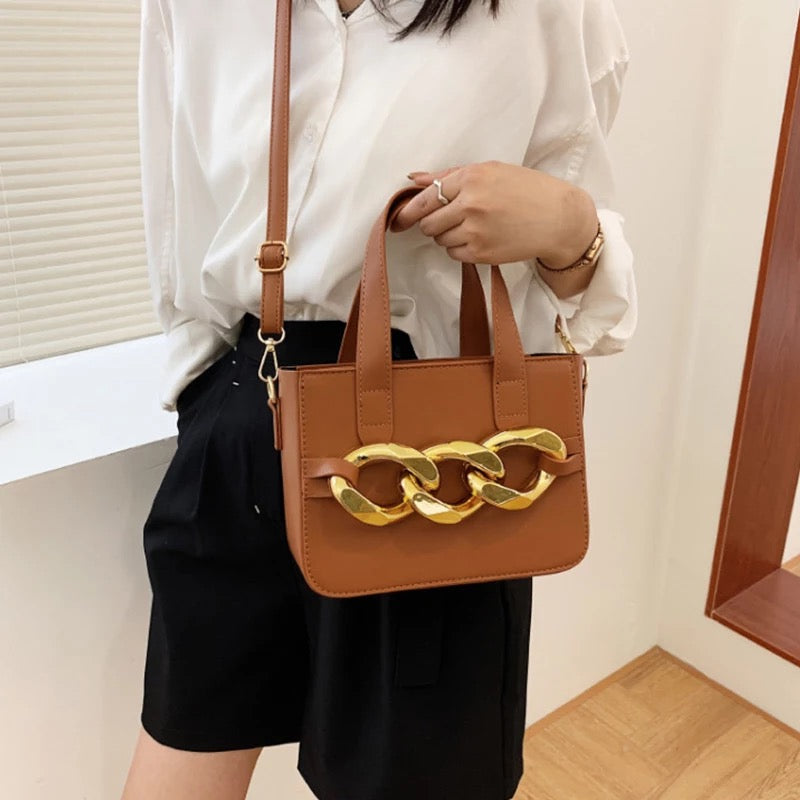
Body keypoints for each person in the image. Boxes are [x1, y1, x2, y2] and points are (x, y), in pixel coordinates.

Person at [122, 0, 637, 798]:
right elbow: (175, 224)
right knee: (184, 742)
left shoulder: (548, 14)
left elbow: (575, 295)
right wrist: (208, 404)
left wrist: (571, 225)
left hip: (439, 466)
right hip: (246, 413)